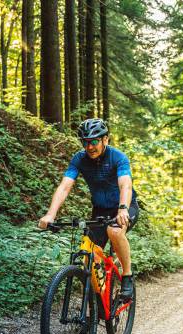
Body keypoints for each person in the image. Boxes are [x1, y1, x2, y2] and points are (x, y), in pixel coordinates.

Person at [38, 118, 138, 300]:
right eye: (86, 142)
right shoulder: (79, 159)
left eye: (94, 141)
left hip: (125, 206)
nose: (90, 147)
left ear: (105, 139)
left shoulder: (118, 157)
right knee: (90, 258)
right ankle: (97, 305)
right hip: (100, 210)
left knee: (114, 232)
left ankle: (127, 276)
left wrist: (122, 209)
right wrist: (51, 214)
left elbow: (125, 185)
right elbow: (64, 187)